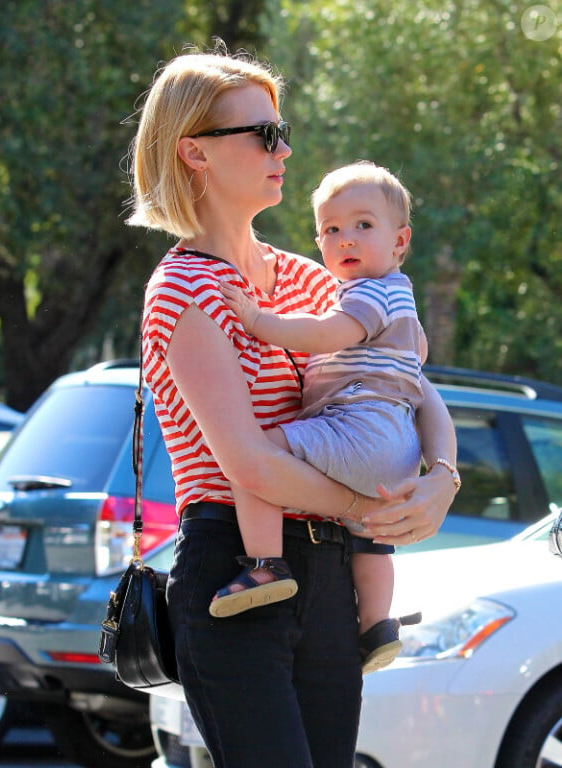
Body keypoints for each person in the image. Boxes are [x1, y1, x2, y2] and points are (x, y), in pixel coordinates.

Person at [127, 43, 459, 768]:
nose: (285, 148)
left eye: (284, 130)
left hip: (332, 577)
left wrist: (441, 479)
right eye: (264, 134)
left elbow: (414, 387)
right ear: (195, 153)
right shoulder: (183, 289)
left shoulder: (317, 281)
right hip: (232, 573)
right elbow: (251, 465)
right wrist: (373, 507)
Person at [215, 160, 435, 673]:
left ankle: (266, 566)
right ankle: (377, 623)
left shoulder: (368, 294)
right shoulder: (402, 300)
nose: (346, 239)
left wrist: (258, 320)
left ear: (400, 242)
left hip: (360, 428)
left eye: (363, 225)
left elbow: (329, 334)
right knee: (370, 538)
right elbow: (418, 356)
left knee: (253, 457)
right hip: (399, 448)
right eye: (331, 230)